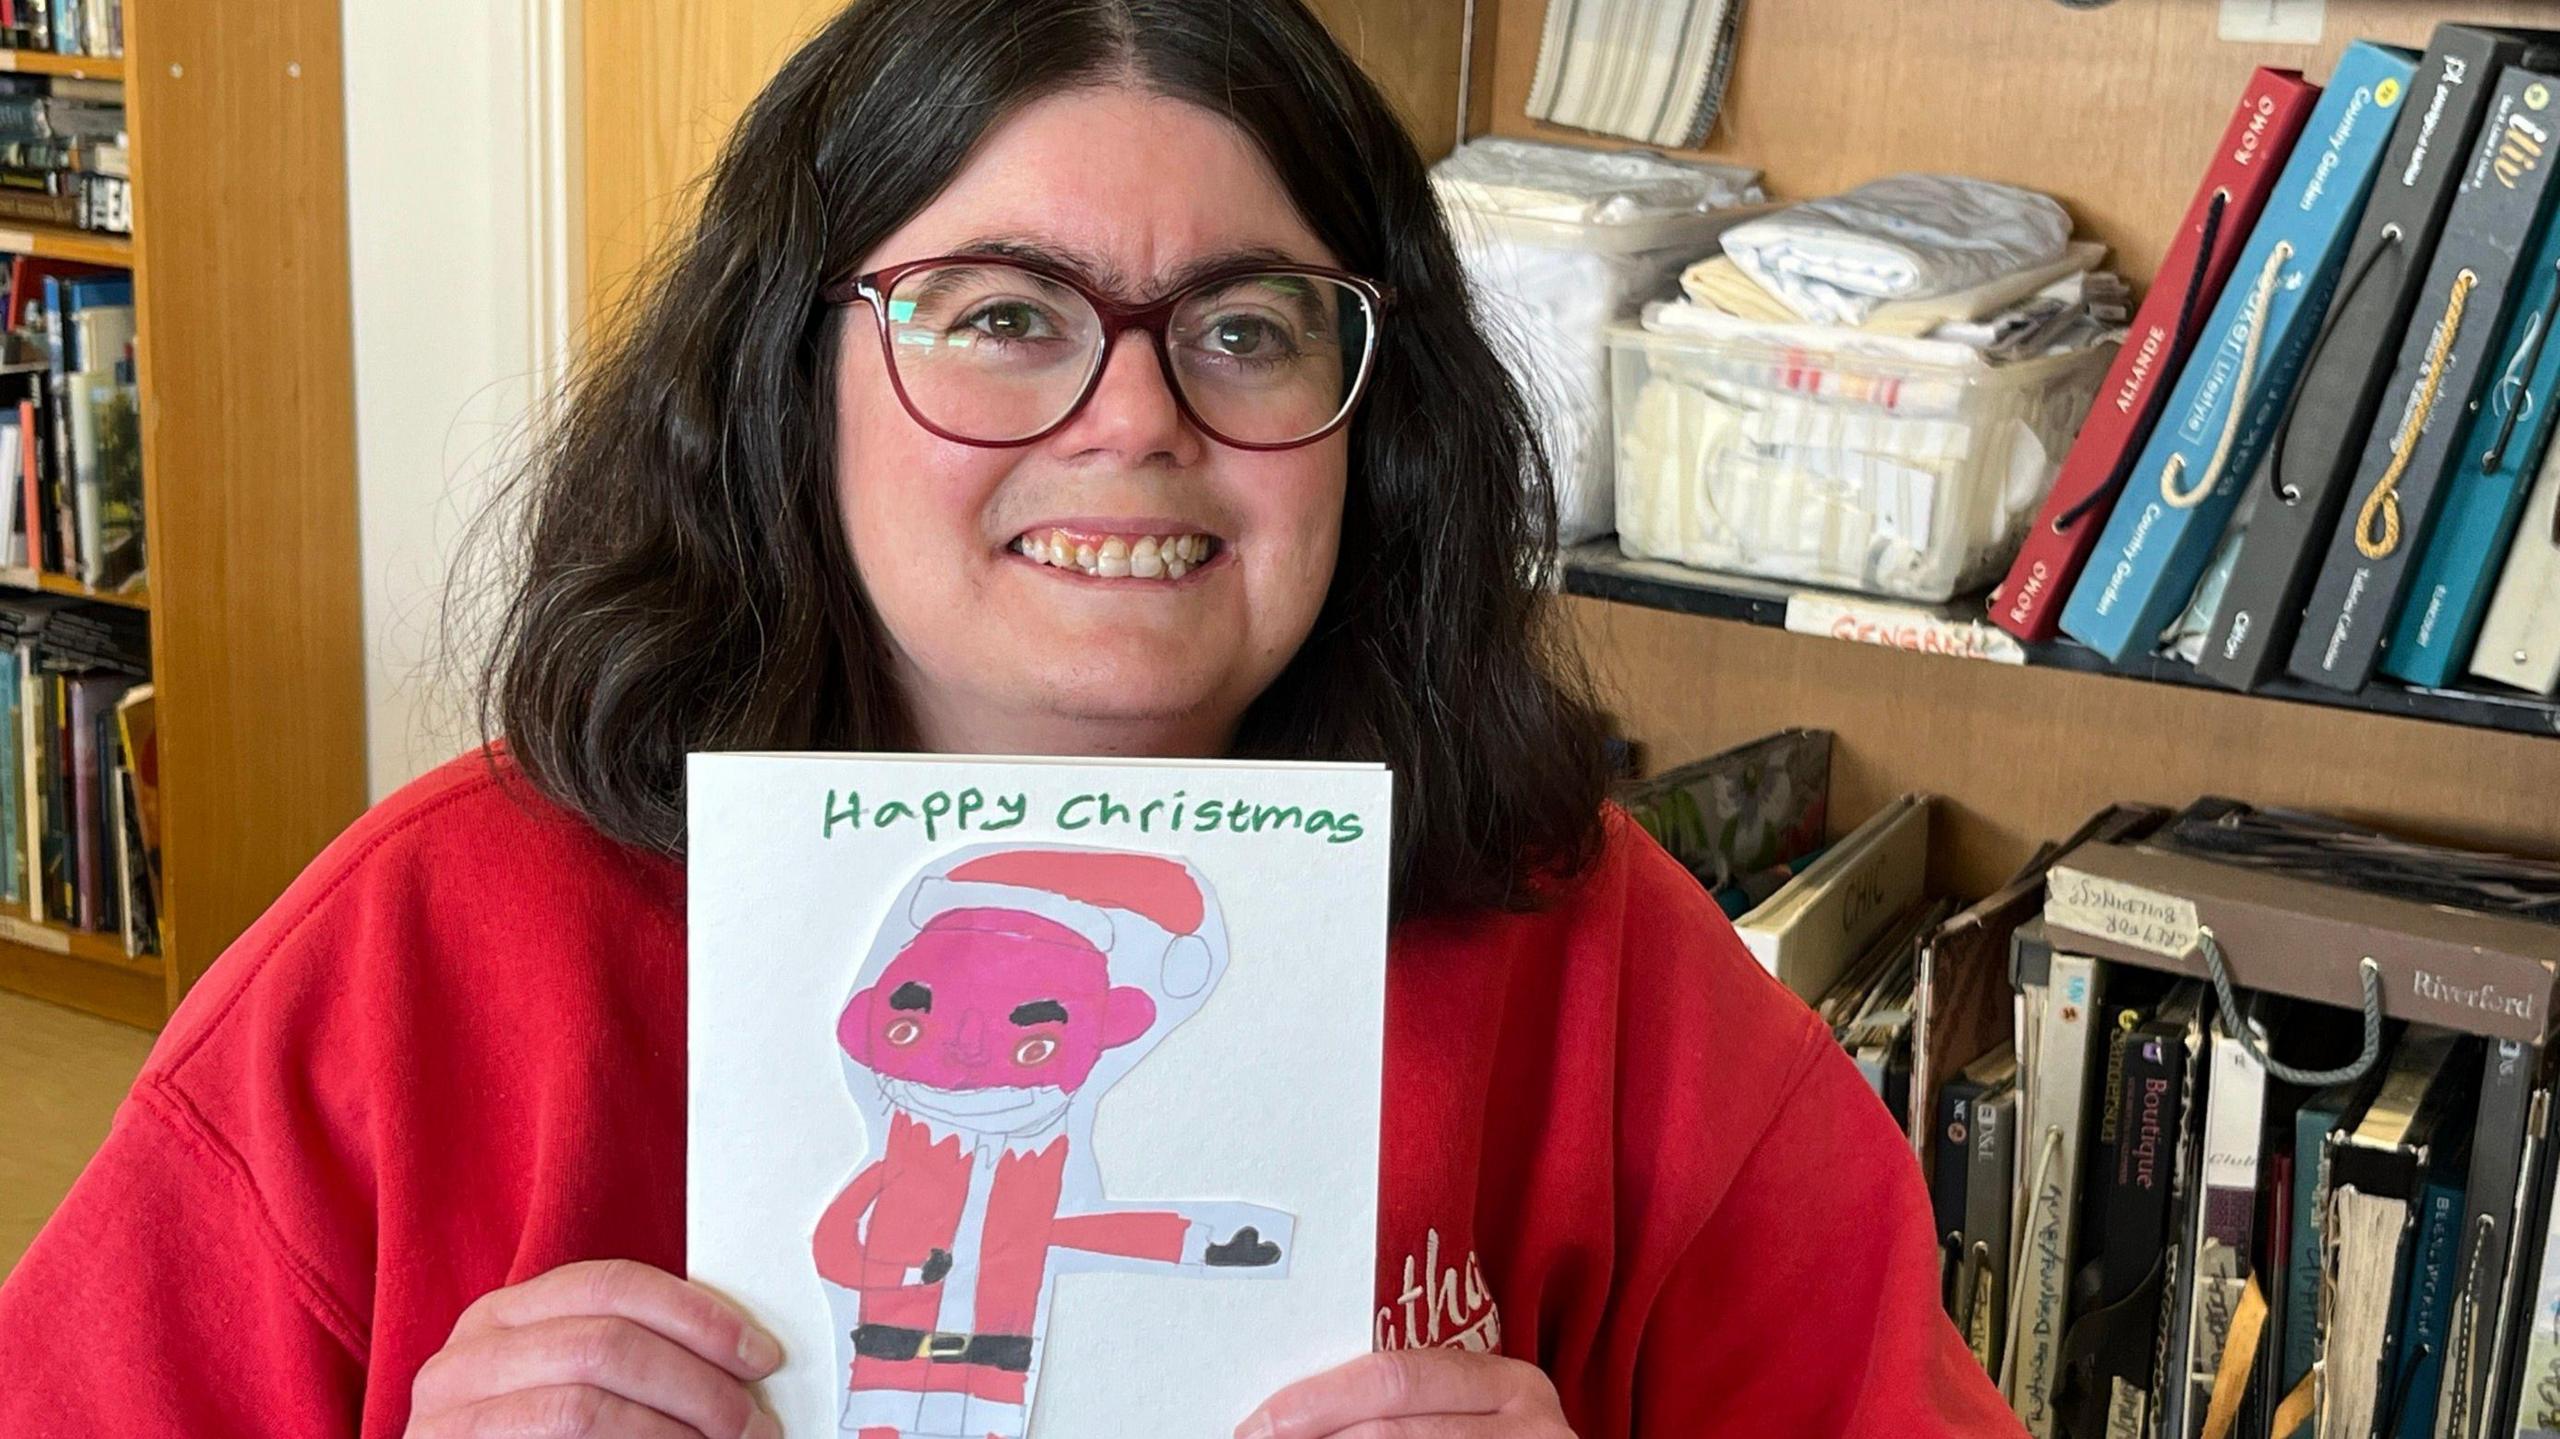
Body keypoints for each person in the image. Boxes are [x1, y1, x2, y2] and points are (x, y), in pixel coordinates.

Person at [0, 1, 2022, 1436]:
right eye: (999, 317)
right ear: (787, 380)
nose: (1135, 418)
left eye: (1244, 327)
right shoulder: (418, 959)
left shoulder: (1598, 969)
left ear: (1366, 424)